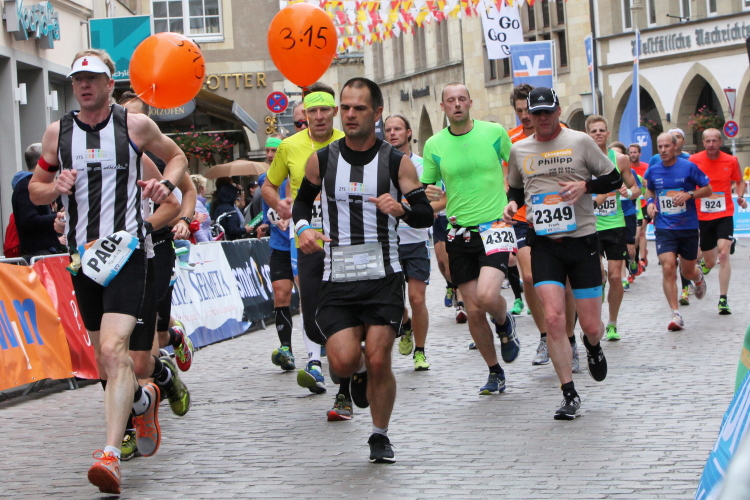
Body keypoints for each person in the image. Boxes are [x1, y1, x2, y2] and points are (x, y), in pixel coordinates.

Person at [28, 49, 188, 494]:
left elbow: (177, 158)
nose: (84, 85)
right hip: (84, 259)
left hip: (129, 253)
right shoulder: (57, 133)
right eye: (78, 79)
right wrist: (53, 187)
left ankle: (111, 454)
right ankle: (144, 398)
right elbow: (36, 190)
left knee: (116, 350)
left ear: (108, 83)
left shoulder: (135, 126)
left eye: (92, 78)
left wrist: (165, 184)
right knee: (105, 360)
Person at [293, 77, 433, 463]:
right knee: (341, 361)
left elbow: (424, 214)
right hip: (337, 277)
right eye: (346, 107)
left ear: (377, 113)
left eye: (359, 108)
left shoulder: (396, 161)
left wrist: (401, 208)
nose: (350, 115)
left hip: (383, 276)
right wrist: (303, 229)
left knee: (379, 358)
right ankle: (356, 375)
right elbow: (301, 203)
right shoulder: (322, 160)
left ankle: (379, 435)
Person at [504, 87, 617, 420]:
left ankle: (592, 345)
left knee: (592, 325)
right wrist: (512, 204)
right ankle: (569, 393)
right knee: (554, 319)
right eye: (536, 113)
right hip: (544, 243)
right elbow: (516, 189)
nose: (542, 118)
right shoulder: (519, 149)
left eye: (547, 112)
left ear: (557, 111)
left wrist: (586, 186)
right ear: (528, 115)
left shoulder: (580, 141)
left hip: (582, 242)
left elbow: (613, 178)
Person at [421, 83, 518, 396]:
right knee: (473, 309)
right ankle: (494, 371)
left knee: (488, 297)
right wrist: (426, 193)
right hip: (459, 232)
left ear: (470, 102)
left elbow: (518, 169)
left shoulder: (494, 132)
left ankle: (504, 322)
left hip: (495, 226)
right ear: (443, 107)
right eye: (451, 100)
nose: (457, 104)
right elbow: (427, 188)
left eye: (462, 99)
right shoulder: (434, 144)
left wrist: (515, 200)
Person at [262, 82, 347, 417]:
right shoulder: (289, 146)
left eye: (325, 109)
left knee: (344, 309)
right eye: (313, 111)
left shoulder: (348, 141)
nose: (319, 116)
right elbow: (269, 186)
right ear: (305, 114)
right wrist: (281, 206)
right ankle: (319, 356)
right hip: (307, 241)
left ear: (335, 112)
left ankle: (338, 374)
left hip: (346, 240)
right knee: (311, 312)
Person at [505, 84, 580, 370]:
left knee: (565, 283)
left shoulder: (563, 133)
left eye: (529, 110)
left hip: (562, 216)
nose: (526, 116)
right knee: (528, 277)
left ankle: (569, 339)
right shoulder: (511, 140)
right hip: (525, 218)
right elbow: (508, 179)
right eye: (520, 111)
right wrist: (509, 203)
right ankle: (546, 337)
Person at [645, 132, 711, 330]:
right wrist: (650, 203)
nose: (663, 150)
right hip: (664, 226)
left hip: (687, 226)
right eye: (660, 147)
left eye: (667, 146)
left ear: (675, 147)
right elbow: (649, 190)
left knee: (687, 271)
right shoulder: (653, 170)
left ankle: (697, 277)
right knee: (668, 266)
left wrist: (689, 194)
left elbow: (707, 189)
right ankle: (676, 314)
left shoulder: (688, 166)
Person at [385, 114, 434, 371]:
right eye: (388, 130)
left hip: (415, 240)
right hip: (388, 242)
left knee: (417, 299)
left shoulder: (423, 166)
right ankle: (405, 326)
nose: (393, 133)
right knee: (394, 302)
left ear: (408, 132)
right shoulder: (380, 164)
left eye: (397, 129)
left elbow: (439, 201)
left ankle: (421, 351)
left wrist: (409, 209)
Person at [585, 116, 640, 341]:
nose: (598, 133)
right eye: (594, 130)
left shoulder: (620, 159)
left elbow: (636, 189)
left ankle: (612, 323)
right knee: (597, 275)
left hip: (615, 224)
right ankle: (596, 316)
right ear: (588, 134)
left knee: (616, 277)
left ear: (608, 133)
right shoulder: (582, 159)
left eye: (602, 130)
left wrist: (629, 192)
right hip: (590, 225)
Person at [691, 128, 745, 314]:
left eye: (714, 141)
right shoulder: (694, 160)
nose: (711, 144)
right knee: (711, 261)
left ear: (720, 142)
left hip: (724, 213)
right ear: (703, 143)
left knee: (723, 253)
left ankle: (723, 299)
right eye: (708, 141)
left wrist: (740, 196)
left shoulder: (731, 160)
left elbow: (739, 181)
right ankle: (706, 266)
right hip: (703, 215)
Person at [11, 143, 65, 260]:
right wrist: (59, 216)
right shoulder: (25, 185)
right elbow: (29, 220)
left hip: (44, 251)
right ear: (41, 161)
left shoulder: (28, 184)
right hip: (38, 253)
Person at [628, 143, 650, 274]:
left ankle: (642, 258)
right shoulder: (626, 168)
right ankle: (636, 257)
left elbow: (649, 185)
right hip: (633, 204)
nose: (633, 154)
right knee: (635, 237)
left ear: (640, 154)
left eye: (635, 152)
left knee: (642, 232)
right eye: (631, 152)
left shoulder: (646, 167)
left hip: (643, 203)